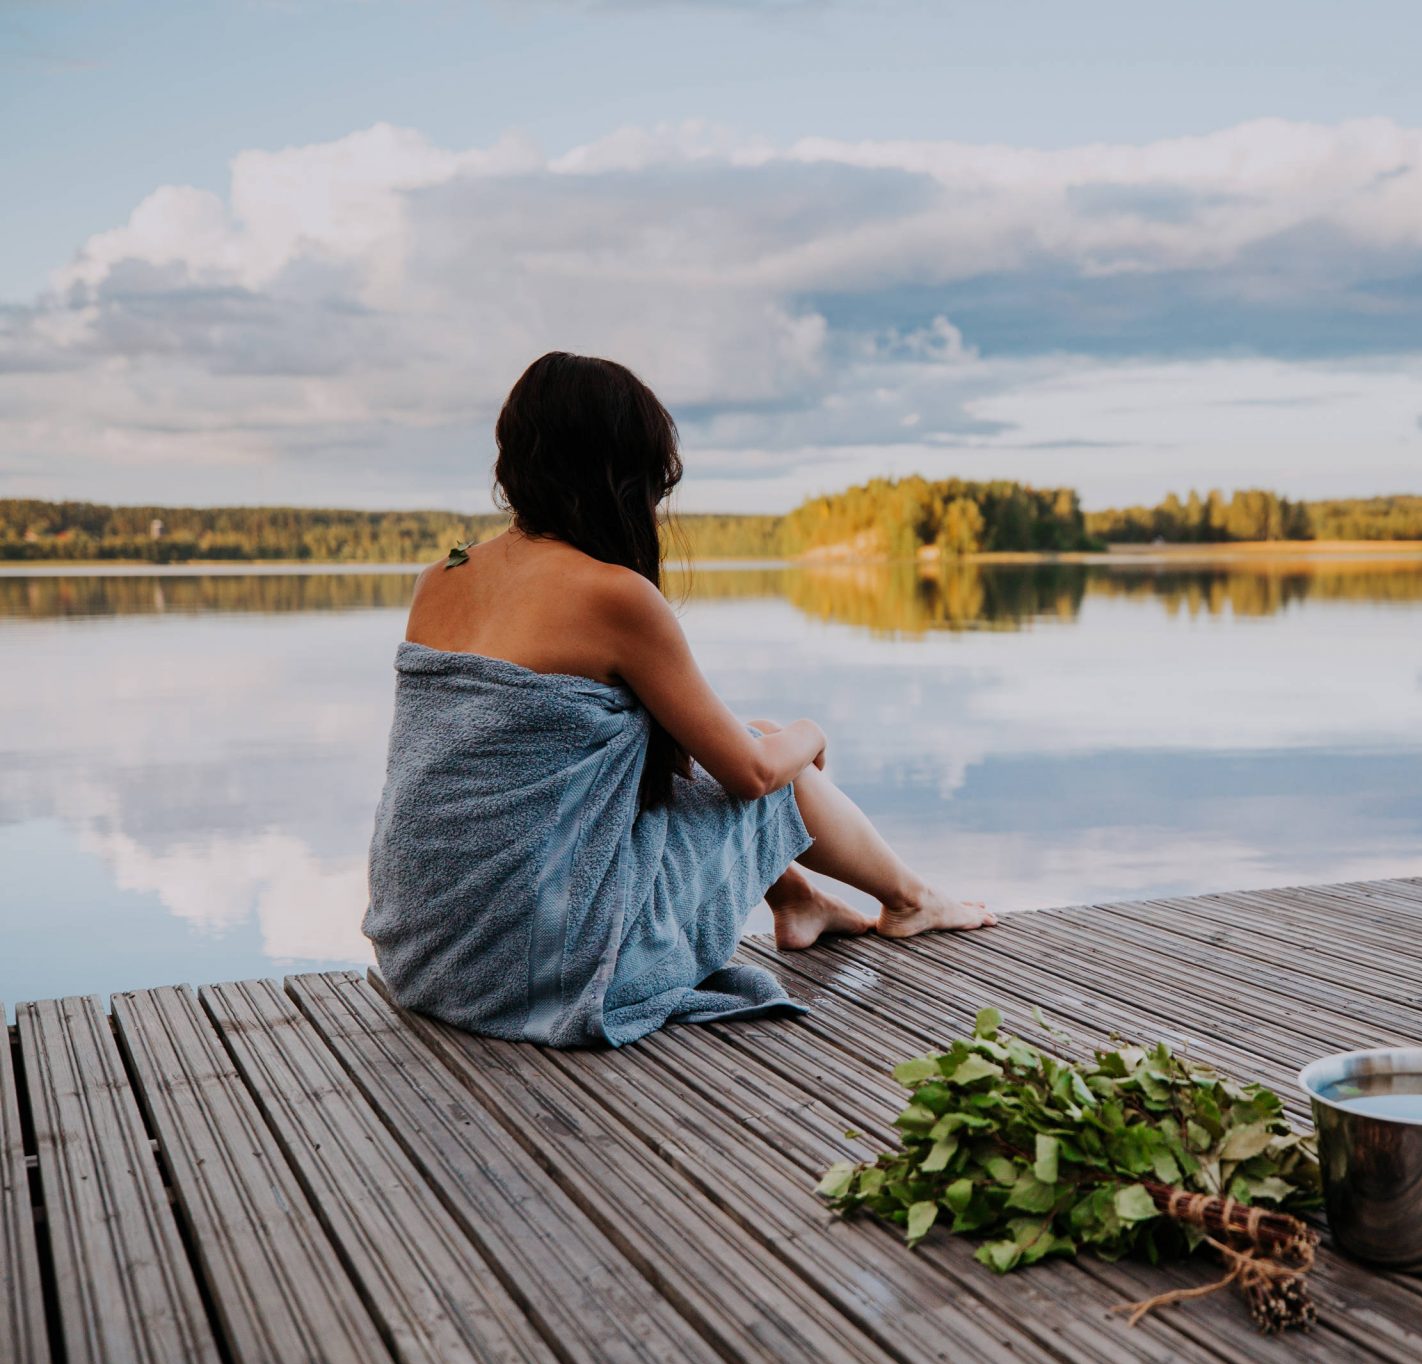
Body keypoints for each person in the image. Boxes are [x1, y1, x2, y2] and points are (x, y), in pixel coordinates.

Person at [364, 351, 991, 1047]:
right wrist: (812, 732)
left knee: (741, 741)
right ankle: (910, 900)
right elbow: (749, 776)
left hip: (424, 960)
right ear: (623, 473)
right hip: (540, 970)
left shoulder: (440, 576)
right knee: (771, 758)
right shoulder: (610, 593)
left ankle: (802, 901)